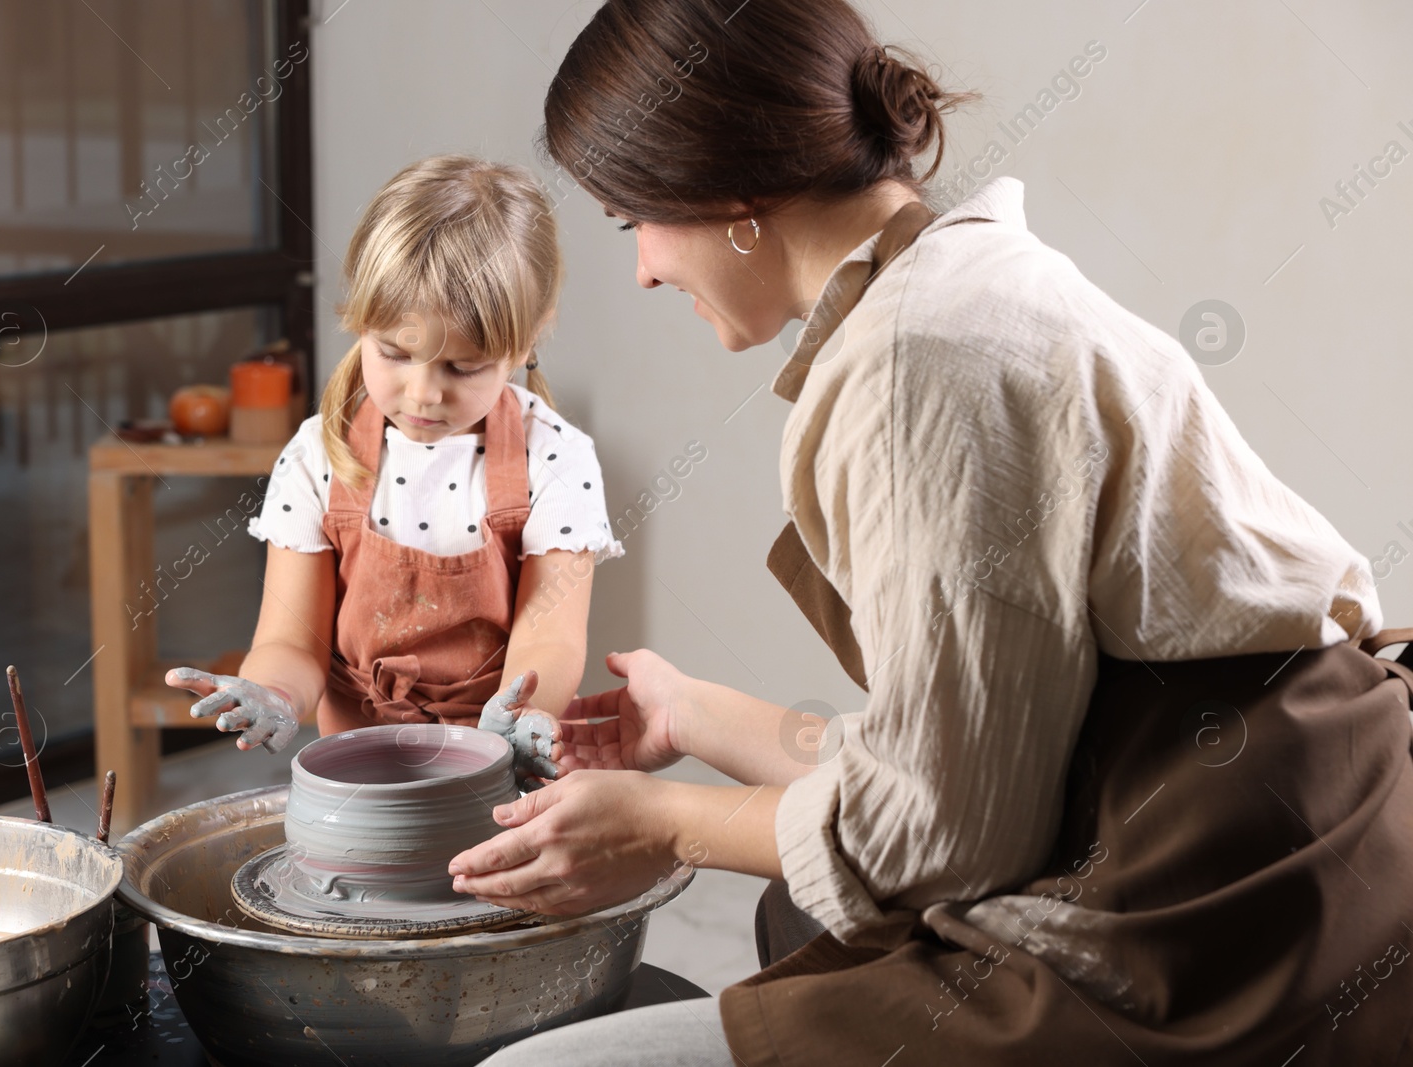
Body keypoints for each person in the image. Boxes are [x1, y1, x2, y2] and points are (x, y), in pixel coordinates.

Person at [457, 1, 1413, 1063]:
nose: (640, 267)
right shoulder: (956, 280)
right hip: (1258, 821)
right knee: (800, 921)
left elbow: (940, 834)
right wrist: (688, 714)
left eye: (630, 218)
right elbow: (978, 747)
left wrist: (662, 821)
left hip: (1223, 905)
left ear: (725, 188)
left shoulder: (918, 362)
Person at [166, 155, 623, 780]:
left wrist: (518, 718)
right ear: (360, 322)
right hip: (358, 781)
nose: (423, 393)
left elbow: (553, 640)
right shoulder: (316, 458)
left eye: (462, 367)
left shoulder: (556, 460)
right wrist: (271, 694)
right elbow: (289, 643)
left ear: (527, 341)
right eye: (394, 353)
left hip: (501, 769)